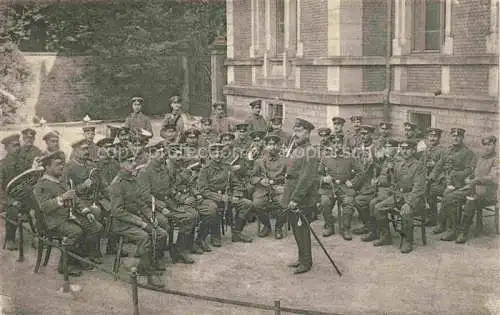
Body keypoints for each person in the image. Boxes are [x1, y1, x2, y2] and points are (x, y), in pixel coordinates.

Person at [33, 151, 104, 274]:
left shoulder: (60, 180)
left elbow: (75, 198)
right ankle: (64, 265)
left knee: (96, 227)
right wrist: (62, 198)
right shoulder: (41, 185)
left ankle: (78, 257)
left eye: (62, 164)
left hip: (68, 216)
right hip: (53, 221)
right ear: (47, 167)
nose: (61, 167)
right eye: (57, 165)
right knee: (76, 232)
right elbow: (43, 207)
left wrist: (86, 211)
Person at [108, 151, 166, 288]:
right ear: (121, 165)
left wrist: (151, 217)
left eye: (133, 160)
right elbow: (117, 212)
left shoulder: (133, 180)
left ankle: (146, 264)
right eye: (129, 161)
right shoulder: (117, 184)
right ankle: (149, 274)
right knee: (145, 236)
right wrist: (141, 222)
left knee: (161, 233)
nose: (134, 163)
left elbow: (140, 202)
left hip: (135, 219)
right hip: (122, 223)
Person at [136, 143, 199, 265]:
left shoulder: (164, 168)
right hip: (151, 206)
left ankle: (179, 250)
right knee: (164, 223)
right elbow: (145, 195)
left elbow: (170, 188)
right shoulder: (144, 172)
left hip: (169, 203)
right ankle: (157, 256)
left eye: (162, 152)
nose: (162, 155)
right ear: (150, 154)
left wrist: (180, 199)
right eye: (158, 153)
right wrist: (161, 207)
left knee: (192, 215)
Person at [372, 139, 426, 253]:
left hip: (415, 198)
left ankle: (408, 240)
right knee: (378, 208)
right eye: (402, 149)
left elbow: (419, 188)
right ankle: (385, 236)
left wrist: (409, 203)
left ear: (413, 150)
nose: (405, 151)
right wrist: (389, 172)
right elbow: (393, 183)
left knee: (406, 211)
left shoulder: (418, 166)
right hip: (399, 196)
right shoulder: (398, 164)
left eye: (407, 149)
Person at [282, 118, 319, 274]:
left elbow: (306, 179)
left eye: (299, 131)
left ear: (308, 132)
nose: (295, 134)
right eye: (295, 131)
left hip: (302, 198)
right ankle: (301, 258)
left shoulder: (310, 151)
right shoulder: (297, 149)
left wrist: (295, 199)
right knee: (297, 231)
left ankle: (306, 262)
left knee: (301, 229)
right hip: (292, 193)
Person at [197, 143, 254, 245]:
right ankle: (215, 236)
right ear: (210, 155)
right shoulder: (205, 169)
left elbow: (236, 183)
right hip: (211, 198)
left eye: (220, 153)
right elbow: (203, 190)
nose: (218, 156)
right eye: (214, 153)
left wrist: (236, 195)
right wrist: (220, 197)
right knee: (213, 209)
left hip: (227, 196)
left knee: (247, 204)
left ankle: (237, 232)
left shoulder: (227, 167)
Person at [435, 128, 476, 241]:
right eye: (453, 136)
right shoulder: (447, 151)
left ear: (462, 138)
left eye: (458, 136)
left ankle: (452, 228)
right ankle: (441, 223)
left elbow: (469, 170)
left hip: (459, 183)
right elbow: (439, 165)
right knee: (432, 189)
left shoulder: (467, 153)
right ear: (451, 137)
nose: (456, 138)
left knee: (447, 196)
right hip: (446, 181)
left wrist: (456, 175)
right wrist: (432, 177)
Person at [318, 133, 361, 239]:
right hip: (330, 188)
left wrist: (353, 182)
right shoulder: (326, 158)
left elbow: (360, 172)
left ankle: (345, 228)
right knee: (324, 201)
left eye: (339, 143)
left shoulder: (349, 157)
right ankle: (329, 226)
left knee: (348, 202)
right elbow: (318, 174)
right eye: (334, 143)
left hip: (344, 188)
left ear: (343, 144)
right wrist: (323, 179)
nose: (337, 145)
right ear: (331, 144)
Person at [456, 136, 498, 244]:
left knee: (470, 200)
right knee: (452, 195)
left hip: (489, 192)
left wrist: (476, 180)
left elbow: (493, 177)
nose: (487, 147)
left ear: (494, 145)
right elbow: (475, 173)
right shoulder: (482, 158)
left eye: (489, 145)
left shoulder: (497, 159)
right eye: (485, 145)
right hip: (475, 188)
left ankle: (463, 232)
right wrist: (469, 178)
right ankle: (452, 228)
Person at [249, 134, 287, 239]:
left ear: (279, 146)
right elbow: (252, 178)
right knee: (256, 204)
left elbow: (291, 178)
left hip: (279, 188)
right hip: (264, 189)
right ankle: (266, 225)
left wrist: (284, 187)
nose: (273, 147)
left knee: (285, 203)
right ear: (266, 146)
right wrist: (260, 180)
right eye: (270, 144)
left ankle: (279, 226)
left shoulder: (285, 160)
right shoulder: (259, 161)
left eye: (275, 144)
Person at [351, 125, 380, 241]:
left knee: (360, 200)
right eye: (361, 134)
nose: (363, 136)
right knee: (351, 197)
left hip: (372, 182)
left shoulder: (376, 149)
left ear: (371, 135)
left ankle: (373, 228)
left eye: (366, 134)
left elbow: (381, 167)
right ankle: (367, 225)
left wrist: (374, 161)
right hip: (359, 181)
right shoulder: (357, 148)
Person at [368, 138, 399, 245]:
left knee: (375, 205)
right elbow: (381, 174)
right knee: (371, 203)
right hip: (383, 190)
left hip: (391, 192)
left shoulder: (397, 161)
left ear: (396, 149)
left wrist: (379, 182)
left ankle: (385, 236)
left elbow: (393, 181)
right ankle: (375, 231)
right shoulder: (387, 160)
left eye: (389, 147)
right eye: (385, 147)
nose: (386, 149)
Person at [0, 134, 24, 250]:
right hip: (7, 198)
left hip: (22, 196)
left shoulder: (22, 163)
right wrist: (11, 201)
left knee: (39, 206)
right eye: (14, 146)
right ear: (6, 148)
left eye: (18, 145)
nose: (18, 148)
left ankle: (39, 236)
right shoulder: (2, 165)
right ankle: (10, 238)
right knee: (13, 210)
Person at [420, 128, 446, 227]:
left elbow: (441, 167)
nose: (432, 138)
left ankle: (434, 217)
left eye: (435, 136)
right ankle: (428, 215)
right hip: (427, 178)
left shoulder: (442, 151)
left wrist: (430, 178)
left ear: (439, 138)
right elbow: (421, 164)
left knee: (432, 191)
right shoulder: (426, 150)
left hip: (439, 179)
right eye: (430, 136)